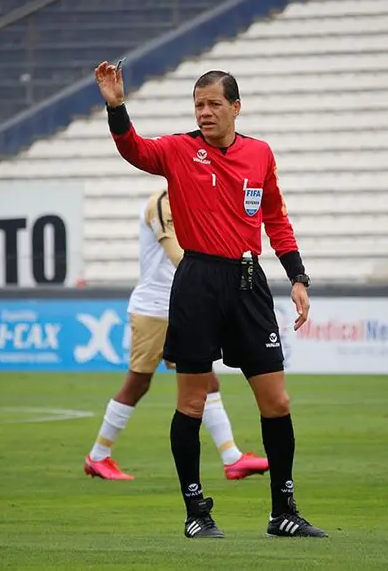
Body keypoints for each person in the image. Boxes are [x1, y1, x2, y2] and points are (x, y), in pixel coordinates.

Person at [94, 60, 327, 539]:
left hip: (248, 282)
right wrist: (117, 107)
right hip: (197, 282)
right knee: (192, 403)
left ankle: (283, 512)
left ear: (236, 108)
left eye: (214, 104)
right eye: (198, 104)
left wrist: (297, 277)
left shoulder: (260, 154)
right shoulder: (179, 150)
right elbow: (134, 149)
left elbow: (276, 218)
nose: (204, 112)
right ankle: (196, 513)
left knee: (277, 401)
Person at [84, 189, 269, 481]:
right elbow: (177, 256)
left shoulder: (195, 198)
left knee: (207, 379)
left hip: (185, 304)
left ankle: (232, 458)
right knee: (138, 382)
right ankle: (98, 456)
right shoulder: (161, 203)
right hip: (156, 308)